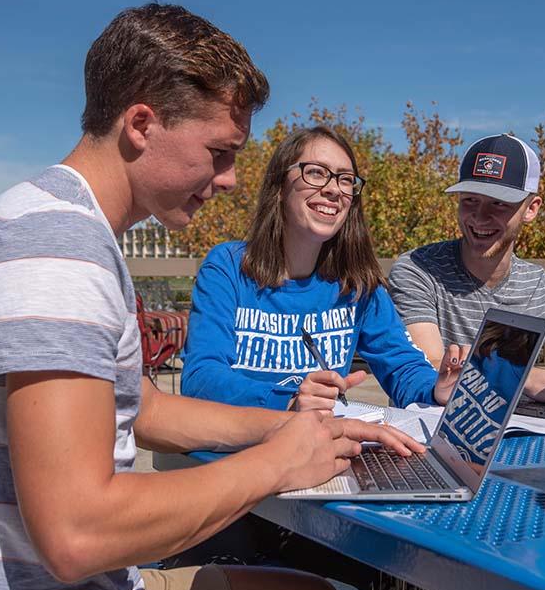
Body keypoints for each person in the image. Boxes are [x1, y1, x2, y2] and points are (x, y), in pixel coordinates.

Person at [0, 4, 423, 590]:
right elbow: (76, 535)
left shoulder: (67, 227)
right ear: (141, 123)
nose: (233, 178)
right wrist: (276, 463)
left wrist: (305, 430)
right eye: (219, 151)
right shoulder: (59, 247)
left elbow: (146, 406)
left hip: (106, 584)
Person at [180, 126, 466, 412]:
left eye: (345, 179)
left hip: (316, 449)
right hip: (239, 448)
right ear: (279, 187)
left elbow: (402, 365)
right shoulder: (228, 266)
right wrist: (288, 401)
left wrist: (436, 389)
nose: (333, 189)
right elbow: (200, 379)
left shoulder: (357, 283)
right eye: (316, 172)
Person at [388, 133, 545, 404]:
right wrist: (527, 378)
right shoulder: (418, 270)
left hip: (524, 434)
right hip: (429, 434)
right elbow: (429, 366)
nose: (479, 216)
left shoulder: (542, 288)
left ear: (531, 209)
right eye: (470, 200)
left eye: (498, 203)